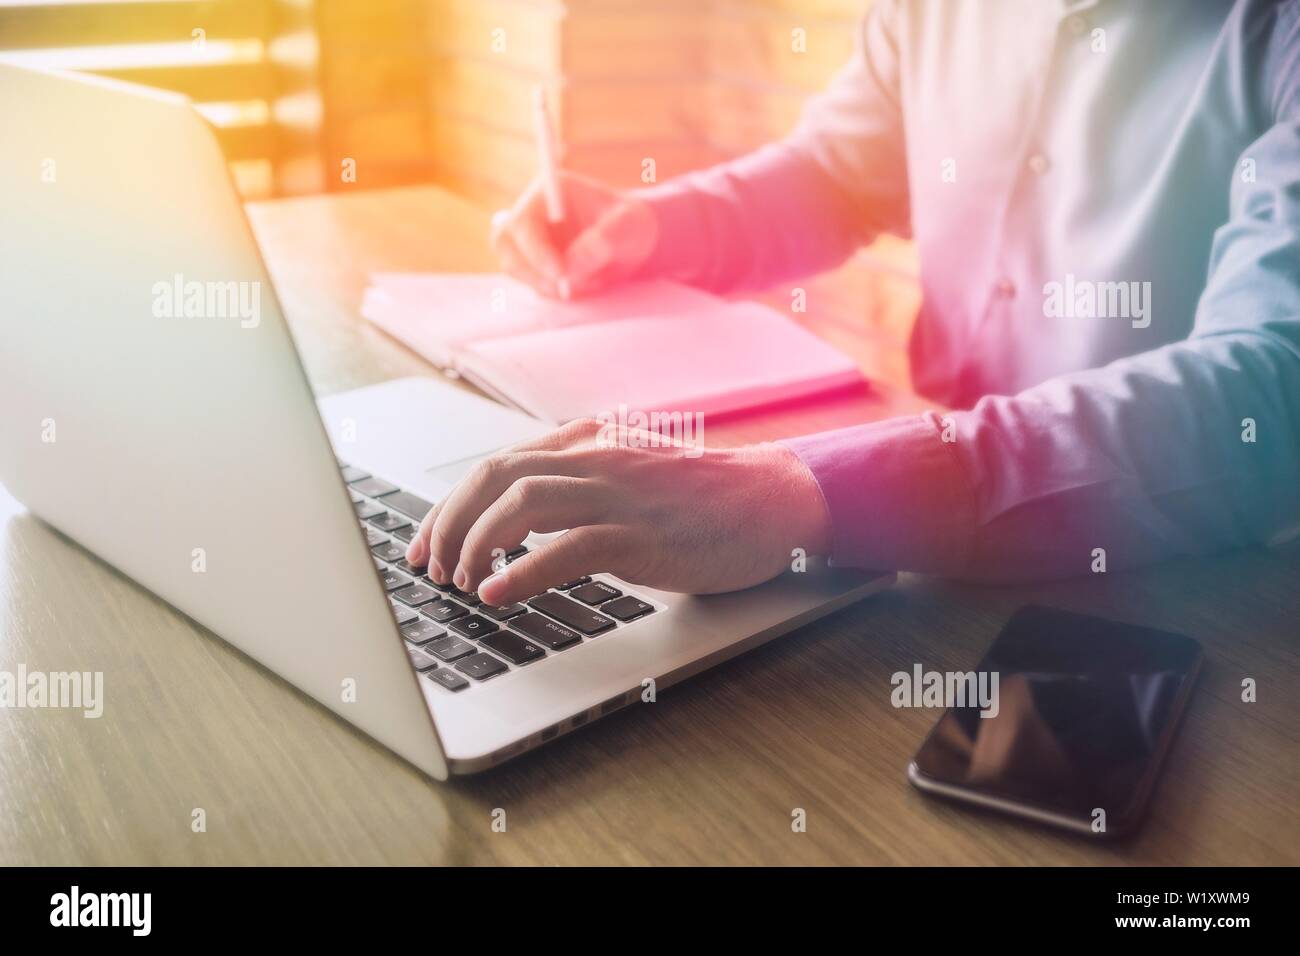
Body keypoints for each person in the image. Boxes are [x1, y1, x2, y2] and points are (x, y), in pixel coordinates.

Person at [406, 0, 1300, 608]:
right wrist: (652, 226)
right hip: (927, 540)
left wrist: (807, 488)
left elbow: (1271, 384)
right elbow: (838, 174)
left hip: (1205, 581)